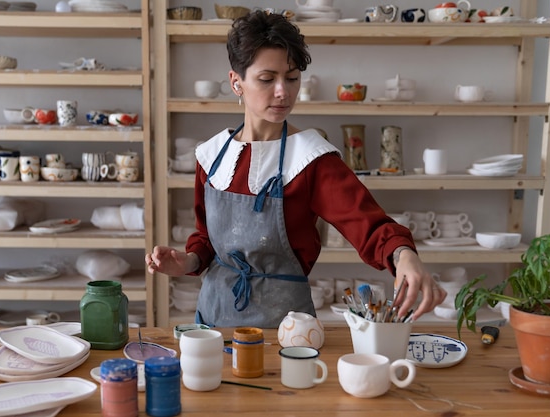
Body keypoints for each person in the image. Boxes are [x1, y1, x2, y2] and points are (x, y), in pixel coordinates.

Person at [146, 10, 446, 328]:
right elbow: (207, 238)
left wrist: (405, 257)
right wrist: (188, 261)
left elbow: (370, 226)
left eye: (291, 78)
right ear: (236, 82)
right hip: (212, 322)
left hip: (287, 330)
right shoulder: (213, 155)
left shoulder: (310, 158)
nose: (283, 91)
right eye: (267, 79)